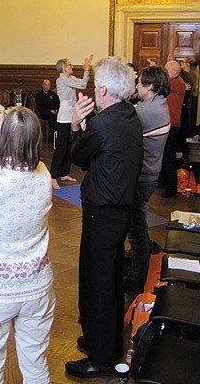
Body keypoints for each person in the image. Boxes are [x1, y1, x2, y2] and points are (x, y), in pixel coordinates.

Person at [64, 57, 143, 379]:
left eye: (97, 86)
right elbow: (96, 152)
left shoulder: (103, 123)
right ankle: (105, 340)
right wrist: (88, 129)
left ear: (105, 90)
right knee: (109, 278)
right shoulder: (129, 115)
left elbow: (78, 158)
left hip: (103, 212)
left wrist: (75, 125)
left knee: (96, 283)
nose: (94, 91)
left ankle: (101, 359)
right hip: (119, 210)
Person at [0, 101, 55, 383]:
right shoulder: (43, 176)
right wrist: (3, 125)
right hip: (36, 289)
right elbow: (10, 156)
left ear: (4, 140)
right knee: (36, 368)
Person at [124, 66, 171, 292]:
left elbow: (121, 121)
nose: (136, 86)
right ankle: (137, 260)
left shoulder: (147, 111)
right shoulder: (158, 104)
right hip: (150, 173)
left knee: (136, 230)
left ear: (150, 86)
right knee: (137, 225)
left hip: (143, 176)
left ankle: (137, 276)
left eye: (139, 82)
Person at [50, 54, 94, 189]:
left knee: (70, 146)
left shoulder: (71, 78)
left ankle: (64, 173)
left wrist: (86, 70)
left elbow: (83, 83)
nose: (72, 66)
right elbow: (82, 84)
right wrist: (86, 69)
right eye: (69, 64)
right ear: (63, 67)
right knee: (61, 147)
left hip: (72, 116)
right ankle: (53, 176)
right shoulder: (61, 79)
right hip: (63, 118)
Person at [158, 60, 186, 197]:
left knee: (169, 155)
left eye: (166, 70)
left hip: (172, 123)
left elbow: (160, 88)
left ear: (174, 72)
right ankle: (164, 181)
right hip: (168, 122)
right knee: (165, 154)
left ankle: (171, 186)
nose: (164, 73)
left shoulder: (177, 83)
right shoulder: (175, 81)